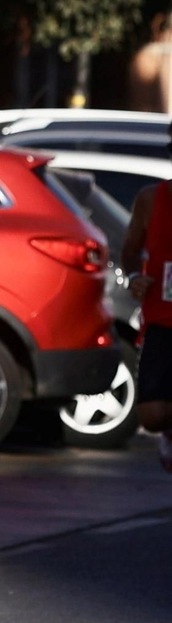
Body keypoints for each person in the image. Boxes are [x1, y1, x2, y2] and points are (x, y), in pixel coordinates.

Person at [120, 123, 172, 470]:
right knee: (152, 416)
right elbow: (129, 252)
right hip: (162, 322)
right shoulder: (151, 200)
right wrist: (135, 276)